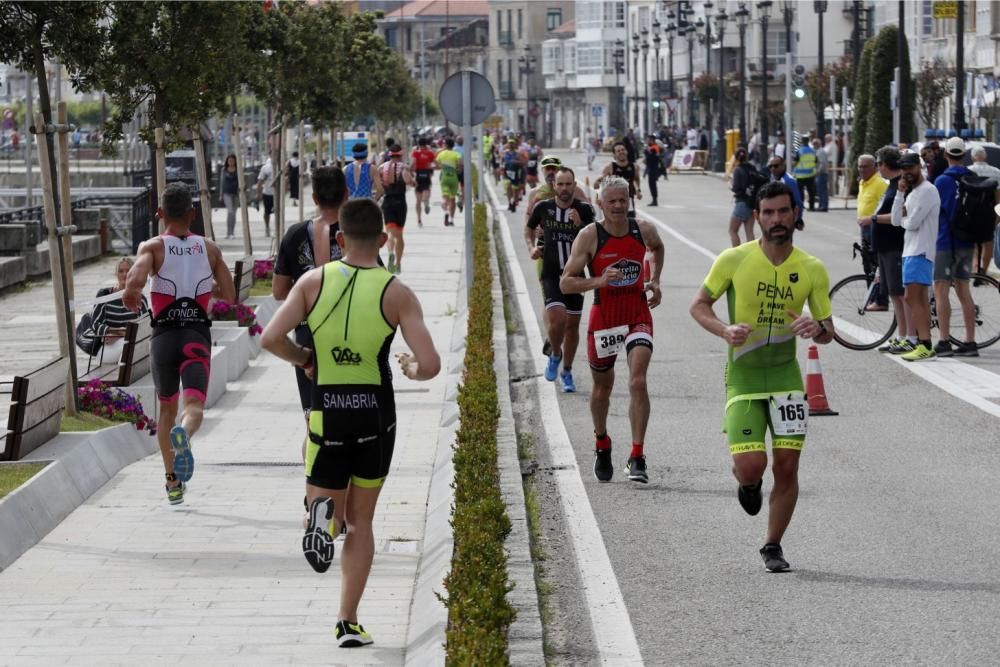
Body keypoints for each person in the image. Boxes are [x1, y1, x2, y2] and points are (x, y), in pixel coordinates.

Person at [260, 198, 440, 649]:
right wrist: (410, 369)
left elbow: (269, 337)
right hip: (375, 414)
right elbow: (431, 364)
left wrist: (305, 359)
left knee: (328, 505)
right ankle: (347, 621)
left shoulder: (312, 281)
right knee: (362, 522)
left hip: (327, 409)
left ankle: (321, 521)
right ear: (383, 240)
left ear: (338, 239)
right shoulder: (396, 291)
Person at [689, 180, 834, 573]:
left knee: (787, 465)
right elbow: (698, 305)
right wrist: (723, 330)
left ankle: (773, 545)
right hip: (744, 378)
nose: (776, 220)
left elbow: (828, 329)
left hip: (786, 376)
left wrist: (815, 328)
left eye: (783, 211)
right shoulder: (733, 259)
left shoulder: (811, 268)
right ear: (757, 217)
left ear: (795, 214)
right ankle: (748, 483)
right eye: (768, 213)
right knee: (753, 465)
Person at [122, 183, 236, 505]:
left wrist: (132, 293)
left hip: (164, 339)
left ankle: (172, 482)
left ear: (159, 214)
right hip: (196, 337)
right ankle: (185, 433)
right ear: (193, 214)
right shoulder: (211, 249)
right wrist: (209, 290)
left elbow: (135, 279)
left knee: (166, 409)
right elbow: (229, 296)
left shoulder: (153, 246)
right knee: (194, 407)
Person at [560, 176, 665, 484]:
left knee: (637, 380)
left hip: (636, 313)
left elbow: (658, 248)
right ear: (600, 204)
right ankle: (602, 442)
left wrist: (655, 280)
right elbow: (567, 281)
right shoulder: (589, 236)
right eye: (613, 201)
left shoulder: (643, 230)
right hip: (604, 318)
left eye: (624, 200)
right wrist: (599, 281)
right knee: (602, 389)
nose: (619, 206)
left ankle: (636, 456)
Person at [273, 165, 349, 462]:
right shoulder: (357, 232)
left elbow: (279, 291)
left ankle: (313, 496)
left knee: (313, 422)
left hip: (307, 338)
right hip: (350, 336)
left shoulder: (294, 235)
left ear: (314, 198)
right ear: (345, 194)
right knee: (345, 423)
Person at [525, 167, 596, 393]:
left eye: (569, 184)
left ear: (575, 186)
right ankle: (556, 353)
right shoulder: (543, 208)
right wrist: (532, 248)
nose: (564, 189)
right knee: (558, 319)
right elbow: (528, 230)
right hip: (552, 273)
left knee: (573, 326)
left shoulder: (585, 210)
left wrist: (580, 226)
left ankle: (566, 371)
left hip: (575, 275)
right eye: (560, 184)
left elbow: (596, 239)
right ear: (553, 186)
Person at [860, 147, 912, 354]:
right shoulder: (892, 185)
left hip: (895, 246)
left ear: (884, 164)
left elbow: (899, 215)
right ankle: (902, 336)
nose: (878, 168)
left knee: (901, 294)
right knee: (895, 294)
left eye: (879, 164)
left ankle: (910, 336)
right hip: (885, 246)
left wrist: (872, 219)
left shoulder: (901, 185)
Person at [890, 151, 941, 361]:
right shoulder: (911, 193)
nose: (907, 173)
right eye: (903, 169)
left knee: (912, 297)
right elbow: (896, 220)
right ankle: (923, 343)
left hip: (920, 250)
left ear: (918, 167)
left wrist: (905, 220)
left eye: (910, 168)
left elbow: (912, 223)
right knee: (917, 298)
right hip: (911, 250)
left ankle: (925, 344)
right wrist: (899, 194)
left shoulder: (928, 191)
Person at [931, 137, 979, 358]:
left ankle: (944, 340)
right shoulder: (974, 178)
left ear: (946, 155)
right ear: (964, 155)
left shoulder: (941, 181)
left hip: (945, 241)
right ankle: (970, 341)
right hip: (967, 241)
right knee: (964, 290)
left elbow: (933, 212)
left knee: (941, 291)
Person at [78, 257, 150, 363]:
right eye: (121, 271)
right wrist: (121, 332)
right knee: (127, 353)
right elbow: (96, 325)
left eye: (128, 271)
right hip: (108, 347)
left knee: (129, 352)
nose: (125, 274)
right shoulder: (104, 296)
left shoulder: (140, 300)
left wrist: (118, 334)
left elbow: (144, 329)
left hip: (131, 345)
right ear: (116, 274)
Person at [379, 145, 415, 274]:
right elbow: (408, 180)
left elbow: (378, 185)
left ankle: (390, 252)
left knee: (389, 232)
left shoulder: (382, 167)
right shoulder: (403, 167)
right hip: (400, 203)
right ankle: (398, 264)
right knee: (399, 235)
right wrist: (413, 182)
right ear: (400, 155)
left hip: (387, 202)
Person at [967, 145, 1000, 276]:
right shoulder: (996, 172)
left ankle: (976, 266)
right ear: (985, 156)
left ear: (972, 157)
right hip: (989, 209)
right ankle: (984, 270)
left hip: (972, 210)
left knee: (974, 241)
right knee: (988, 241)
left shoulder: (968, 171)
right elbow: (998, 196)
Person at [595, 141, 641, 214]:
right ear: (614, 155)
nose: (621, 152)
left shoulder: (634, 167)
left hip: (628, 199)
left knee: (630, 222)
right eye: (618, 151)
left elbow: (636, 179)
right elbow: (599, 183)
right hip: (614, 201)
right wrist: (598, 194)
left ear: (626, 151)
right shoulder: (609, 168)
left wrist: (638, 190)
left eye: (623, 150)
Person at [729, 147, 759, 246]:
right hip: (752, 203)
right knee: (749, 231)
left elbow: (736, 187)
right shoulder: (752, 168)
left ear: (737, 158)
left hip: (741, 202)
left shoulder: (738, 170)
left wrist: (731, 186)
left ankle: (736, 253)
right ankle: (751, 253)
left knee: (733, 230)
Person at [856, 154, 887, 248]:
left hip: (875, 227)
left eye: (865, 167)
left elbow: (886, 208)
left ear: (875, 167)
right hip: (864, 226)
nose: (862, 169)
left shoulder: (880, 184)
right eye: (860, 166)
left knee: (874, 259)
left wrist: (873, 219)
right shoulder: (862, 182)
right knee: (866, 258)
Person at [767, 156, 803, 230]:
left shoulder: (788, 181)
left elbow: (798, 202)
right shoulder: (773, 178)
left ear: (783, 166)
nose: (773, 168)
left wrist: (798, 219)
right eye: (770, 166)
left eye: (776, 166)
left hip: (785, 217)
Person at [410, 137, 437, 226]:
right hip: (426, 174)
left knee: (417, 200)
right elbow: (435, 163)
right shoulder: (430, 153)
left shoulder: (416, 153)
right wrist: (434, 167)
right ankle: (426, 201)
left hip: (418, 175)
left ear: (418, 144)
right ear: (426, 144)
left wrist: (410, 170)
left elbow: (413, 163)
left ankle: (419, 219)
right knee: (427, 189)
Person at [435, 137, 462, 226]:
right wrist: (457, 169)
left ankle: (446, 212)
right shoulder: (456, 154)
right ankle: (451, 219)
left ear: (446, 145)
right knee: (453, 199)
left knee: (445, 198)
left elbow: (436, 162)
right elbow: (460, 164)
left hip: (444, 178)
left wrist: (442, 167)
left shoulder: (441, 154)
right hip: (454, 178)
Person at [500, 139, 525, 212]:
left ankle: (514, 202)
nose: (511, 145)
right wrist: (501, 167)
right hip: (507, 173)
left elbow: (522, 163)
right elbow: (501, 162)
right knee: (508, 188)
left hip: (516, 174)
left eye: (512, 143)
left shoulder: (518, 153)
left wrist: (516, 162)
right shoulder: (505, 153)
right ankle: (509, 203)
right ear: (507, 144)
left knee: (515, 191)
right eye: (509, 143)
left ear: (515, 145)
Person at [221, 154, 240, 239]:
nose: (231, 162)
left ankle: (232, 232)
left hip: (236, 193)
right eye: (229, 160)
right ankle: (228, 232)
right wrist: (220, 194)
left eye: (232, 160)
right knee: (230, 212)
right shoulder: (224, 170)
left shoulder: (238, 170)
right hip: (226, 193)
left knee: (234, 214)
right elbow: (221, 182)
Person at [255, 157, 275, 237]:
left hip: (278, 194)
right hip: (267, 193)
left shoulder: (281, 165)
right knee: (267, 211)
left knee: (278, 211)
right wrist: (258, 193)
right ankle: (267, 227)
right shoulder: (266, 167)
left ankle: (278, 227)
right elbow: (260, 181)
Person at [643, 135, 662, 207]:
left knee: (652, 184)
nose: (647, 141)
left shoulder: (654, 148)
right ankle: (654, 199)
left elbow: (653, 158)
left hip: (654, 168)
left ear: (652, 140)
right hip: (651, 168)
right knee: (651, 184)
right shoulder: (652, 148)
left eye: (648, 140)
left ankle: (655, 200)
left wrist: (647, 152)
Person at [812, 138, 829, 212]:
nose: (813, 145)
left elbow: (822, 163)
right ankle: (821, 205)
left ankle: (823, 206)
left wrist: (818, 171)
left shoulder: (821, 152)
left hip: (822, 173)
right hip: (821, 173)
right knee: (820, 190)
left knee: (822, 190)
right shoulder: (818, 151)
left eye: (815, 144)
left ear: (818, 144)